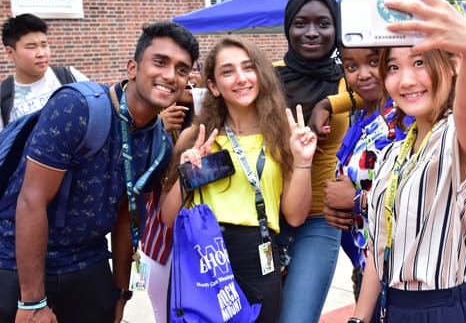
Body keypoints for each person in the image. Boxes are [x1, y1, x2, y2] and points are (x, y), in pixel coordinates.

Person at [0, 21, 199, 323]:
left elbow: (125, 217)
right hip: (17, 259)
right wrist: (31, 302)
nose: (170, 75)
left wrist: (121, 293)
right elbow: (32, 200)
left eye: (182, 69)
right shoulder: (76, 107)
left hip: (87, 261)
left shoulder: (158, 142)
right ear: (132, 68)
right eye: (160, 62)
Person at [348, 0, 466, 323]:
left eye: (419, 62)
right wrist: (359, 319)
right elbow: (378, 249)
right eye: (393, 66)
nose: (406, 80)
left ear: (451, 66)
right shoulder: (393, 154)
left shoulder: (458, 138)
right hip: (391, 309)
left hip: (447, 310)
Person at [160, 36, 316, 323]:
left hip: (258, 255)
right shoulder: (195, 137)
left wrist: (303, 160)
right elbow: (168, 218)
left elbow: (294, 217)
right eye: (227, 71)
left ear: (261, 75)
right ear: (213, 86)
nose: (241, 78)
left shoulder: (283, 138)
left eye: (248, 67)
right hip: (203, 255)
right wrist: (186, 174)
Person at [272, 0, 355, 323]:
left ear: (336, 28)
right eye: (300, 23)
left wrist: (328, 104)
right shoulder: (269, 75)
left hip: (321, 216)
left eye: (323, 24)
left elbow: (381, 89)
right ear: (288, 28)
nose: (311, 32)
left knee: (297, 318)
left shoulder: (347, 78)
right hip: (268, 214)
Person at [321, 47, 413, 302]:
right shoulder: (365, 116)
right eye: (351, 66)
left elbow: (417, 196)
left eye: (373, 61)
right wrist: (335, 208)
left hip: (400, 280)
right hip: (366, 269)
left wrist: (356, 200)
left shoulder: (406, 119)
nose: (362, 74)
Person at [139, 58, 204, 323]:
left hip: (203, 238)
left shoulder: (212, 120)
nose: (189, 79)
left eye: (194, 71)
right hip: (162, 238)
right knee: (165, 313)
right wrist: (158, 130)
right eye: (182, 73)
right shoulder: (149, 119)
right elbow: (140, 179)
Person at [1, 13, 88, 130]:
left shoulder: (70, 76)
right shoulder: (4, 97)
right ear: (10, 53)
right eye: (31, 47)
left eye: (44, 45)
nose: (41, 53)